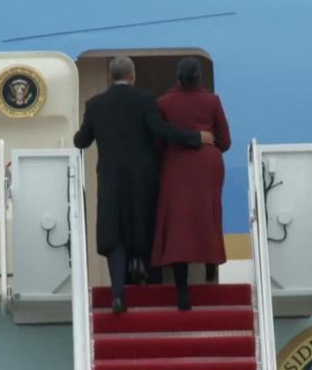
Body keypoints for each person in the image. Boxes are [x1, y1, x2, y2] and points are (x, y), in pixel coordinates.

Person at [73, 56, 215, 313]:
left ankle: (118, 295)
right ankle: (152, 293)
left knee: (113, 236)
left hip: (110, 180)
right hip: (142, 179)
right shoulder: (145, 99)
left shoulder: (95, 104)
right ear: (132, 75)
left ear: (109, 76)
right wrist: (196, 137)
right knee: (144, 230)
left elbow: (81, 141)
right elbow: (160, 129)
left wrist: (76, 133)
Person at [151, 57, 231, 311]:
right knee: (208, 214)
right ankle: (210, 267)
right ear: (199, 77)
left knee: (178, 225)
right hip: (208, 165)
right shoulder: (212, 101)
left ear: (178, 77)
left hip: (176, 165)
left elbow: (158, 142)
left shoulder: (163, 103)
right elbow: (226, 141)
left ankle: (182, 292)